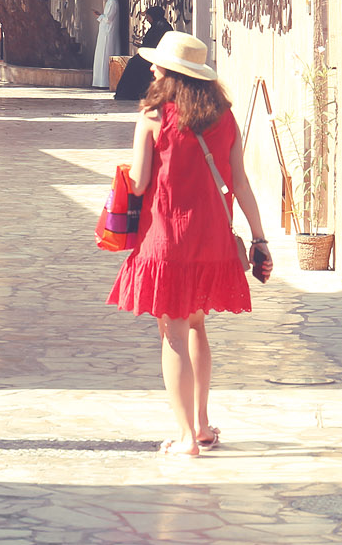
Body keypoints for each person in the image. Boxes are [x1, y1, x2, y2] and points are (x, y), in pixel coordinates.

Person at [108, 32, 271, 455]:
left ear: (170, 73)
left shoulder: (153, 116)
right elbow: (240, 181)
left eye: (159, 65)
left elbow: (141, 182)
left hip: (167, 237)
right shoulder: (225, 116)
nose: (153, 69)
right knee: (197, 326)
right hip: (213, 237)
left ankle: (185, 438)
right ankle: (200, 424)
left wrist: (125, 174)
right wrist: (259, 236)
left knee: (174, 334)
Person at [112, 5, 171, 100]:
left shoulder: (160, 27)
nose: (147, 20)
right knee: (133, 62)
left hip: (156, 56)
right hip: (151, 54)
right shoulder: (158, 25)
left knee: (134, 64)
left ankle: (129, 93)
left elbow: (155, 44)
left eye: (148, 17)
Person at [90, 0, 121, 90]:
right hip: (104, 34)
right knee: (100, 56)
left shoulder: (113, 2)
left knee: (105, 56)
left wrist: (99, 15)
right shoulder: (108, 2)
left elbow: (108, 18)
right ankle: (99, 82)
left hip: (108, 34)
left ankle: (105, 82)